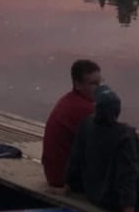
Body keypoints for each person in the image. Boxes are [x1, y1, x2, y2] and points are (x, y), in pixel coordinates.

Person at [42, 58, 102, 186]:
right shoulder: (84, 109)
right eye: (93, 84)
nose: (100, 88)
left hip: (53, 172)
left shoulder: (68, 100)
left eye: (100, 83)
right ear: (78, 84)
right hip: (64, 178)